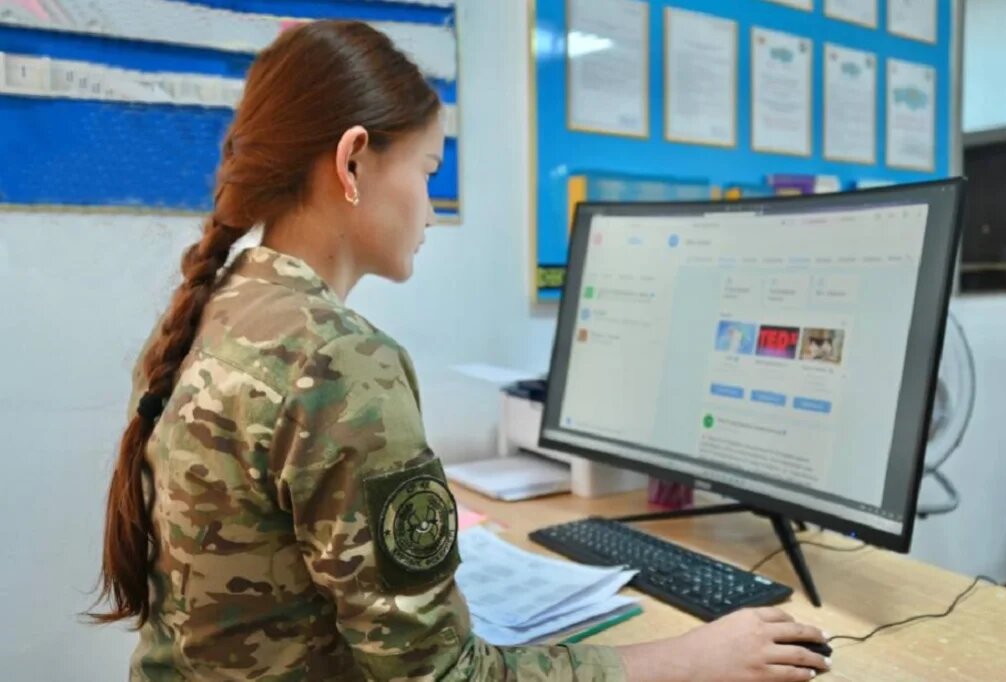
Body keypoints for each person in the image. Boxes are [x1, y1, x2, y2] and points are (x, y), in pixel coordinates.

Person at [90, 20, 832, 681]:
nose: (433, 211)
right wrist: (693, 661)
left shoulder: (214, 310)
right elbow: (443, 676)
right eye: (428, 172)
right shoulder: (337, 362)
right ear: (353, 162)